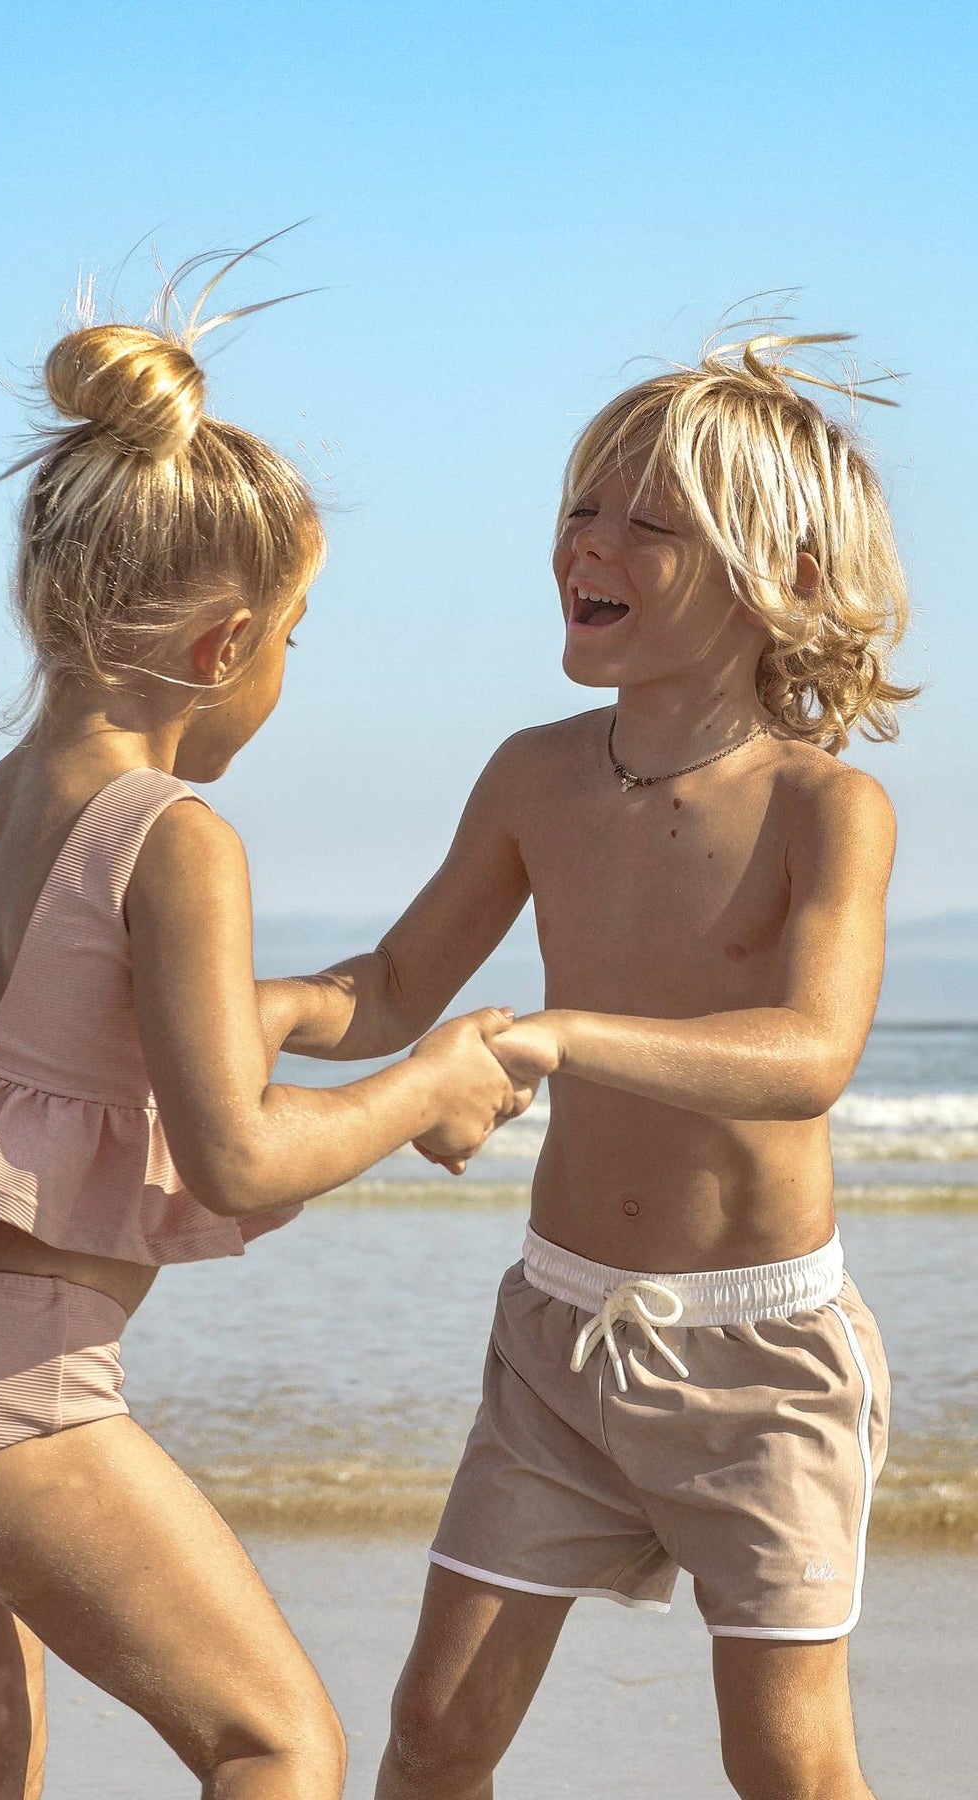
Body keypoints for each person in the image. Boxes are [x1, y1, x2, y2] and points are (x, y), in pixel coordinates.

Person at [0, 254, 533, 1800]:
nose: (283, 680)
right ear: (220, 648)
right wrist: (428, 1079)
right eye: (292, 640)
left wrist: (272, 1010)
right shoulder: (176, 836)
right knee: (276, 1745)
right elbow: (240, 1160)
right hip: (4, 1393)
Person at [258, 330, 914, 1799]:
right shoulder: (534, 774)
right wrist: (240, 1010)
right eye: (581, 510)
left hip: (764, 1364)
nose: (589, 546)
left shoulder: (827, 810)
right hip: (561, 1342)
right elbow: (390, 989)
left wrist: (556, 1037)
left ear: (785, 580)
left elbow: (808, 1055)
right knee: (433, 1737)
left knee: (787, 1766)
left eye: (651, 525)